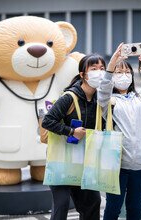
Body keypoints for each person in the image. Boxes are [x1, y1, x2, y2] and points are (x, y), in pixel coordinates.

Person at [98, 43, 141, 220]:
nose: (123, 76)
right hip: (119, 164)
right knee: (113, 208)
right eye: (119, 73)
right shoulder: (108, 101)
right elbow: (102, 91)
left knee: (135, 207)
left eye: (127, 73)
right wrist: (112, 65)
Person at [42, 54, 106, 220]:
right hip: (61, 159)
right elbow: (47, 121)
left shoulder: (101, 99)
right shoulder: (69, 97)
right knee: (62, 204)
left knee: (93, 202)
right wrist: (71, 131)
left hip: (85, 160)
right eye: (93, 69)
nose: (98, 72)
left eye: (102, 69)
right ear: (83, 74)